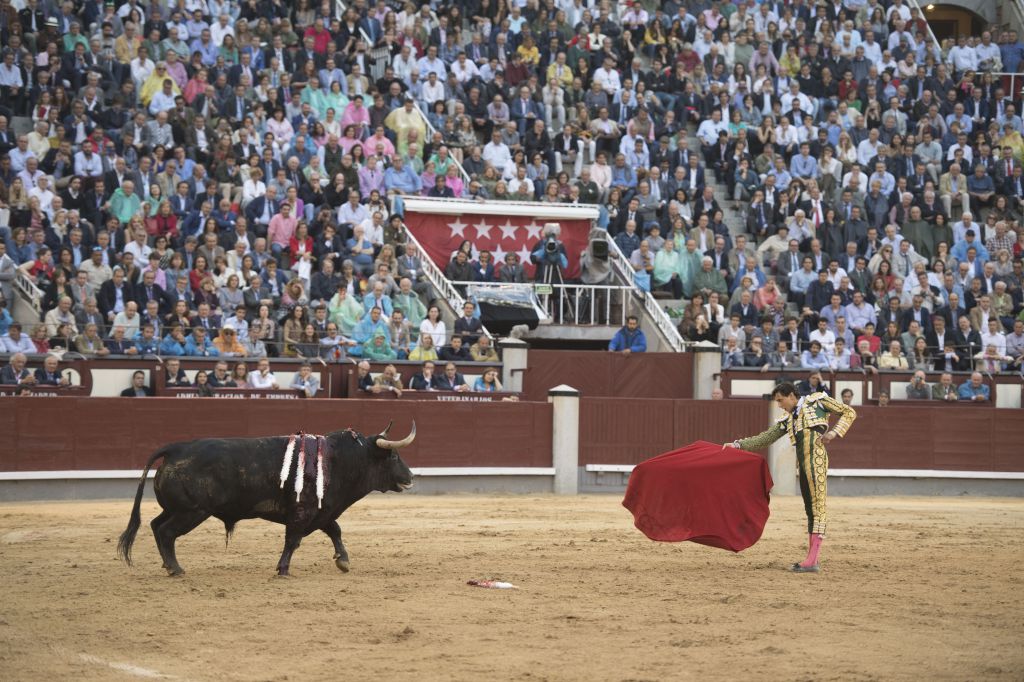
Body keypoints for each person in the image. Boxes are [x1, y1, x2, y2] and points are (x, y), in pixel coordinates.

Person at [724, 382, 857, 573]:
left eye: (781, 400)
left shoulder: (816, 401)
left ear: (792, 396)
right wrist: (737, 445)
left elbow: (849, 412)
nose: (779, 405)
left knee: (817, 507)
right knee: (810, 508)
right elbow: (765, 438)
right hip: (803, 464)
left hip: (816, 459)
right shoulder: (788, 419)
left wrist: (835, 433)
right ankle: (812, 559)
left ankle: (812, 560)